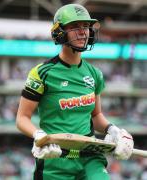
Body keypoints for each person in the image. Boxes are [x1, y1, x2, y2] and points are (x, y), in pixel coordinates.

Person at [16, 3, 134, 180]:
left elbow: (96, 116)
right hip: (54, 158)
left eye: (85, 26)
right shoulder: (41, 73)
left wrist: (113, 130)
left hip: (90, 157)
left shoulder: (95, 74)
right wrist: (39, 136)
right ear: (59, 31)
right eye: (74, 27)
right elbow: (22, 118)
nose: (82, 32)